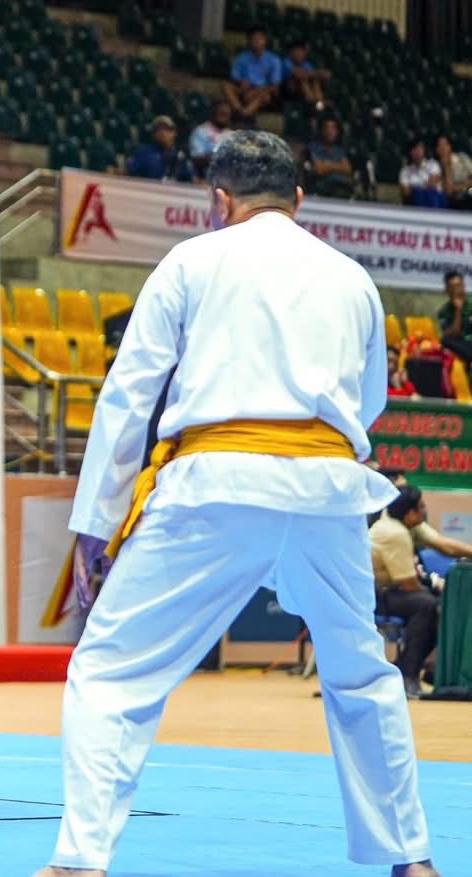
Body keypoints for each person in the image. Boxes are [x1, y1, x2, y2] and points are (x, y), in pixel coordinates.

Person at [32, 131, 437, 877]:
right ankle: (410, 858)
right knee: (360, 674)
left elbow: (129, 394)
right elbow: (369, 402)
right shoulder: (352, 278)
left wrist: (95, 523)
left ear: (218, 201)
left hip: (215, 484)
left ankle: (81, 860)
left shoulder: (192, 260)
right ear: (298, 200)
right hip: (325, 488)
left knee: (112, 669)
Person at [369, 486, 445, 698]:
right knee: (427, 605)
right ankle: (407, 674)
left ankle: (408, 669)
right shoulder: (395, 533)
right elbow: (408, 584)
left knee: (436, 605)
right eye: (421, 506)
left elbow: (445, 545)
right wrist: (434, 589)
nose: (424, 510)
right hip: (372, 595)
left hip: (390, 591)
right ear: (410, 513)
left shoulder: (404, 522)